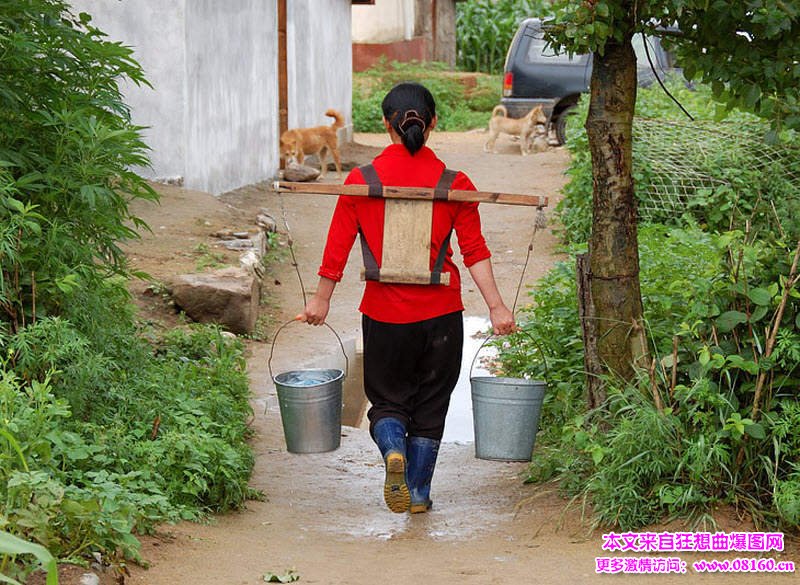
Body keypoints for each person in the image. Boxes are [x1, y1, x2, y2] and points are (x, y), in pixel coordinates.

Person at [299, 82, 515, 514]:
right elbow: (475, 252)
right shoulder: (456, 183)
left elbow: (336, 249)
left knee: (388, 402)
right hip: (442, 317)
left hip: (383, 315)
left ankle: (392, 446)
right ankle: (417, 494)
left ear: (385, 125)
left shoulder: (362, 181)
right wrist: (496, 307)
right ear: (433, 124)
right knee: (432, 405)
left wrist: (319, 301)